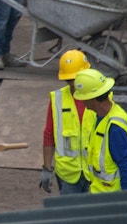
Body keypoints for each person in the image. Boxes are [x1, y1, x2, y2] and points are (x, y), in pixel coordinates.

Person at [73, 68, 127, 192]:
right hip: (102, 193)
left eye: (82, 97)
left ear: (91, 98)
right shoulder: (101, 117)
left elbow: (125, 165)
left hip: (114, 196)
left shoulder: (114, 127)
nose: (81, 101)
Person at [39, 50, 93, 194]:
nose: (73, 83)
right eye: (69, 80)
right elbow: (49, 135)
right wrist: (47, 168)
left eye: (76, 78)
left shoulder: (100, 97)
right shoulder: (57, 99)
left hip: (96, 173)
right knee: (71, 215)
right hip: (68, 175)